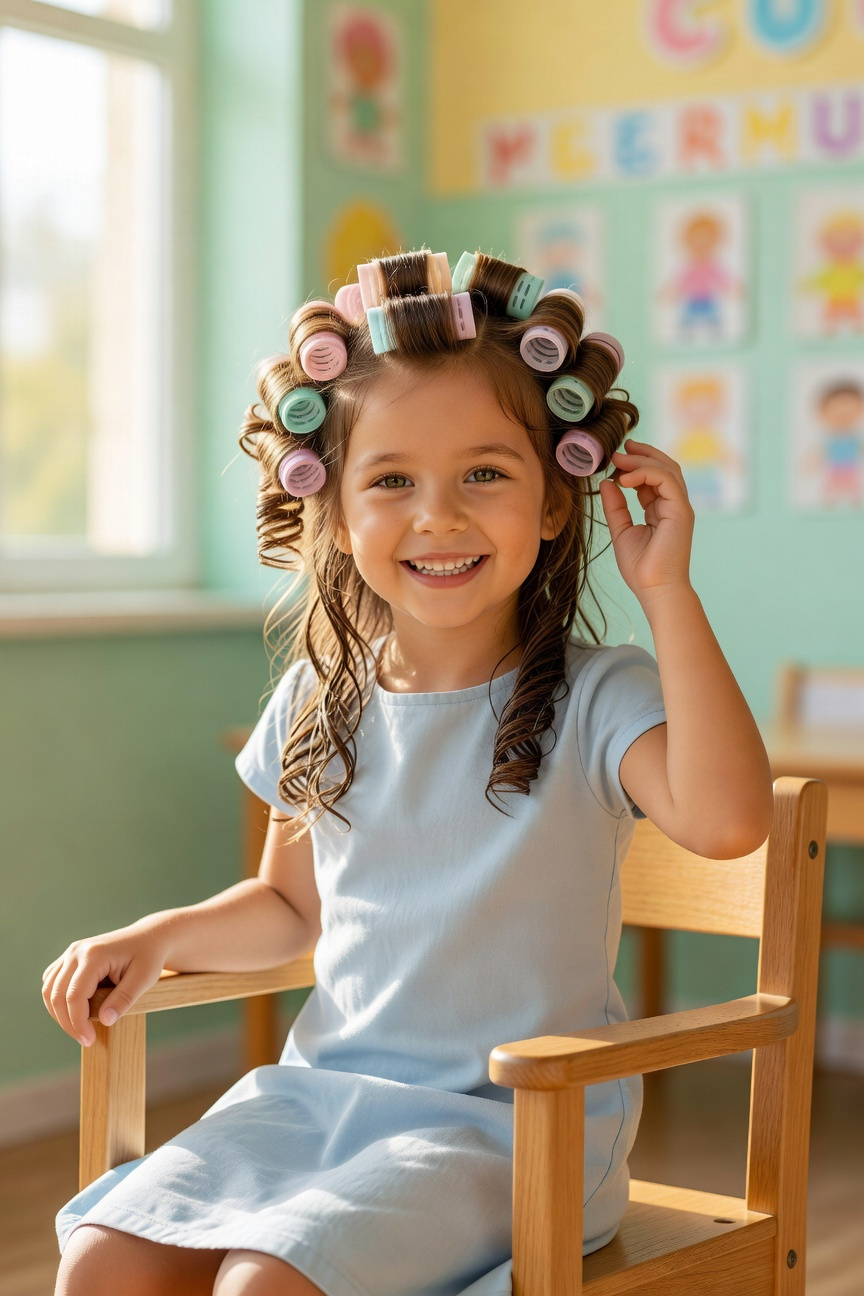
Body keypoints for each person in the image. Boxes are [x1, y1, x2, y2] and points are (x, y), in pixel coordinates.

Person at [45, 249, 773, 1296]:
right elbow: (289, 906)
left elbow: (725, 822)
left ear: (555, 505)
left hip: (518, 1126)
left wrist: (667, 592)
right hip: (320, 1100)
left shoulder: (599, 693)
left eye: (485, 472)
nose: (438, 516)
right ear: (337, 513)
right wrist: (156, 938)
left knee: (266, 1283)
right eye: (392, 480)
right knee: (102, 1263)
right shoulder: (317, 693)